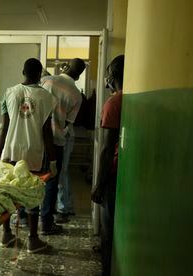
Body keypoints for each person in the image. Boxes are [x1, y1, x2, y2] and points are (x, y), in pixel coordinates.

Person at [0, 58, 57, 253]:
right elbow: (47, 131)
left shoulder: (10, 93)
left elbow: (4, 127)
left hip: (11, 150)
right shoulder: (47, 98)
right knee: (32, 193)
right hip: (33, 151)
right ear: (40, 74)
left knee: (7, 192)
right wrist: (53, 160)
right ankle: (32, 239)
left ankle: (5, 234)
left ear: (23, 71)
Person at [40, 58, 86, 233]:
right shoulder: (76, 94)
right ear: (79, 74)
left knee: (35, 174)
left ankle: (26, 215)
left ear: (66, 67)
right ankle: (54, 215)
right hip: (58, 139)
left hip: (39, 138)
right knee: (56, 176)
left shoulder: (47, 81)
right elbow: (67, 122)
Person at [91, 55, 125, 276]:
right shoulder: (130, 100)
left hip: (113, 175)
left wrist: (98, 185)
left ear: (112, 76)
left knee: (108, 228)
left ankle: (106, 268)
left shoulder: (113, 103)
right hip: (127, 173)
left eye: (107, 75)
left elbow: (106, 149)